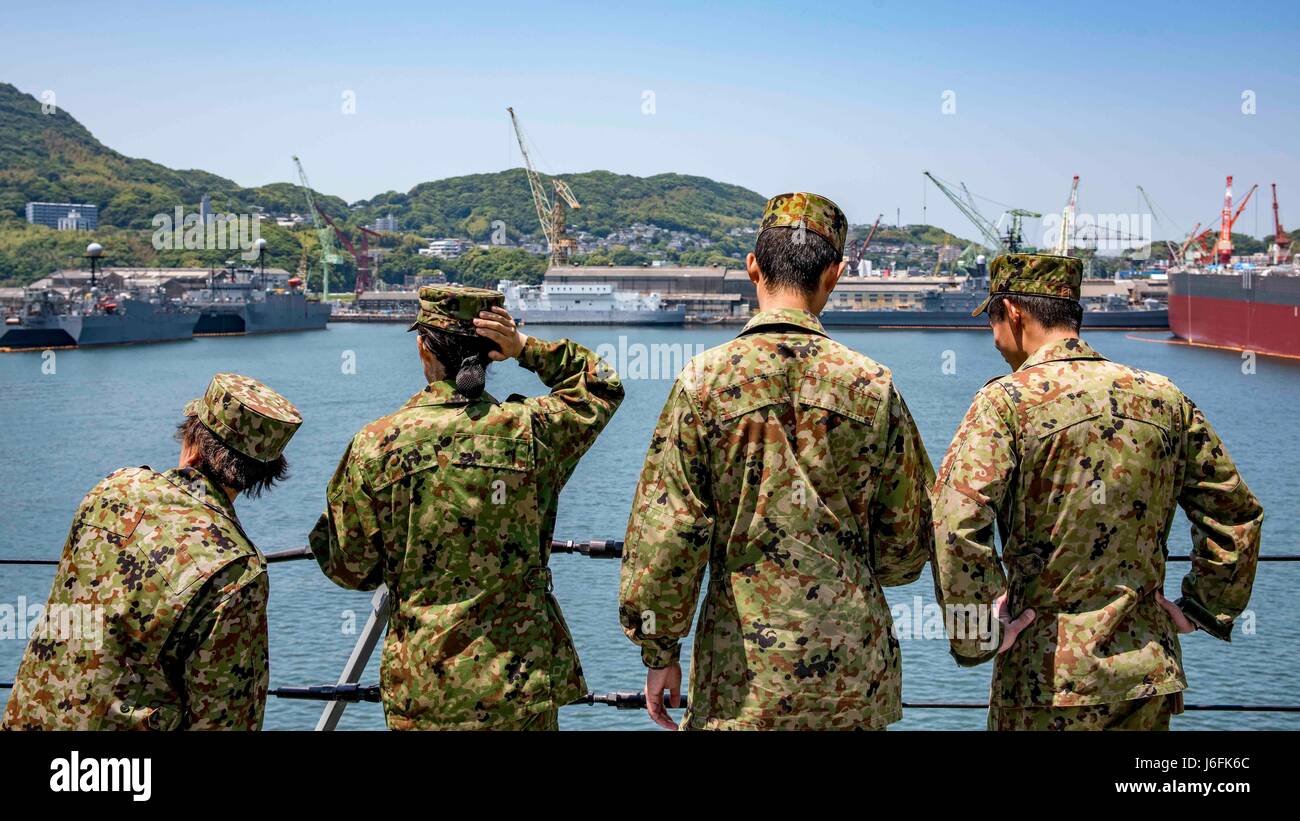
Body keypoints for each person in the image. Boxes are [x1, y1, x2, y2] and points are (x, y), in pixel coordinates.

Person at [619, 193, 934, 730]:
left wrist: (660, 650)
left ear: (752, 268)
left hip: (741, 675)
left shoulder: (703, 383)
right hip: (855, 677)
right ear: (833, 276)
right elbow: (905, 545)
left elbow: (666, 536)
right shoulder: (873, 386)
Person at [930, 253, 1264, 730]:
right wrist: (1204, 608)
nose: (994, 335)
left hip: (1043, 679)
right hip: (1146, 673)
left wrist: (977, 634)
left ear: (1013, 312)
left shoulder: (1007, 402)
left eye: (992, 319)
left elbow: (954, 522)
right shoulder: (1164, 397)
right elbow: (1235, 512)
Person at [309, 285, 624, 730]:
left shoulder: (375, 445)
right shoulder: (531, 431)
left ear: (424, 348)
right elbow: (602, 384)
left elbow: (349, 567)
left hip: (422, 686)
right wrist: (525, 349)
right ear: (490, 352)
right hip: (520, 685)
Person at [2, 373, 302, 730]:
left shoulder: (112, 489)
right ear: (262, 476)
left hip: (30, 718)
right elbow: (227, 717)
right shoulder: (236, 570)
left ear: (192, 443)